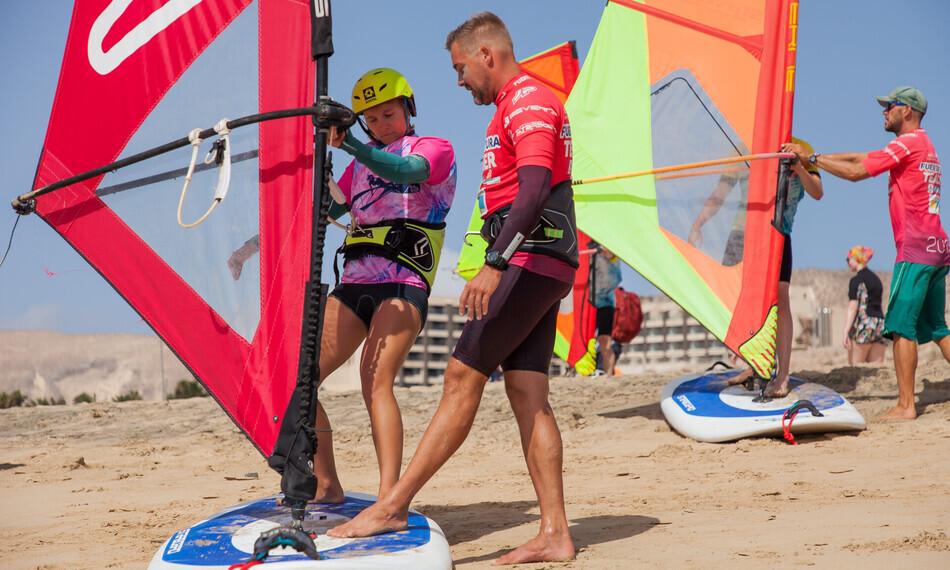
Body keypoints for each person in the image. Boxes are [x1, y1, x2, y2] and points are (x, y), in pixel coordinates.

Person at [330, 12, 577, 565]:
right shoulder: (510, 107)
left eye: (461, 68)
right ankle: (555, 533)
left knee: (462, 376)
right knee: (528, 394)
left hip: (529, 259)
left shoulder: (528, 101)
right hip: (541, 260)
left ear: (487, 54)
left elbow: (536, 187)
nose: (460, 81)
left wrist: (495, 263)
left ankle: (393, 505)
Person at [228, 68, 457, 499]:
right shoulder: (358, 169)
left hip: (403, 283)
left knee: (375, 379)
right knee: (297, 379)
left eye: (389, 114)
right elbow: (309, 216)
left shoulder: (434, 148)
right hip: (354, 286)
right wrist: (248, 248)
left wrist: (350, 143)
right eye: (371, 119)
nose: (381, 125)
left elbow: (406, 171)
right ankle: (327, 483)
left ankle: (390, 497)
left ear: (409, 109)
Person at [786, 86, 949, 420]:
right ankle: (906, 402)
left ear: (907, 111)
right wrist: (814, 158)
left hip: (916, 249)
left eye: (890, 106)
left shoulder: (908, 142)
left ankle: (906, 405)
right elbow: (860, 158)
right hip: (937, 246)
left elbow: (857, 172)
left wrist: (810, 159)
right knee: (936, 327)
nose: (884, 111)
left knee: (901, 327)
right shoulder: (923, 144)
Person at [691, 138, 823, 396]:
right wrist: (698, 224)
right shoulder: (741, 148)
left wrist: (798, 167)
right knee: (737, 298)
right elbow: (719, 194)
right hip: (742, 234)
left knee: (780, 299)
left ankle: (782, 376)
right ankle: (754, 364)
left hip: (777, 232)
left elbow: (817, 191)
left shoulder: (801, 148)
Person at [844, 245, 886, 365]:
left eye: (848, 259)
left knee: (855, 367)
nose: (847, 263)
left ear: (856, 259)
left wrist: (845, 332)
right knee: (876, 369)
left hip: (865, 324)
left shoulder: (856, 280)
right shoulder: (876, 279)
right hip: (880, 324)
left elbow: (853, 308)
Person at [590, 242, 622, 376]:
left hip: (605, 302)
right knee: (585, 339)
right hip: (587, 302)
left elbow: (616, 278)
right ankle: (585, 370)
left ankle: (608, 374)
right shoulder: (588, 246)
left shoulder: (611, 250)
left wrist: (606, 252)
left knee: (605, 340)